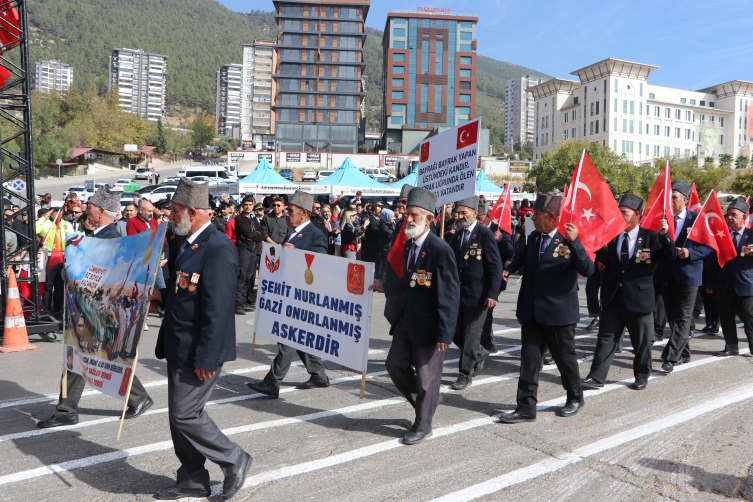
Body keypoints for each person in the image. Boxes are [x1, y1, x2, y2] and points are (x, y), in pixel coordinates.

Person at [150, 178, 251, 500]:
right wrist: (160, 298)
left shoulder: (218, 247)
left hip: (199, 351)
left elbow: (218, 309)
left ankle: (234, 458)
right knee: (176, 417)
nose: (169, 216)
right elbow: (186, 293)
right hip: (179, 345)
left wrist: (208, 358)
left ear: (192, 212)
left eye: (174, 211)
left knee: (185, 414)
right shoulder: (188, 242)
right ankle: (192, 477)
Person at [37, 186, 154, 429]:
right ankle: (68, 409)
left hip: (98, 311)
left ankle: (69, 410)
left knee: (95, 357)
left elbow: (107, 277)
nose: (84, 209)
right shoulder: (92, 235)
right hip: (85, 307)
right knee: (82, 356)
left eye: (89, 206)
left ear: (100, 211)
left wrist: (76, 273)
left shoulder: (111, 238)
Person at [370, 187, 460, 445]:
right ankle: (427, 402)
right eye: (407, 213)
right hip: (406, 319)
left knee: (426, 377)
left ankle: (423, 423)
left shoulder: (441, 250)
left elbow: (450, 296)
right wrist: (383, 286)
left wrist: (445, 332)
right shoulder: (409, 244)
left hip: (429, 325)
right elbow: (410, 281)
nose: (408, 218)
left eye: (414, 214)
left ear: (429, 219)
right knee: (394, 365)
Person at [500, 193, 595, 423]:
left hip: (559, 313)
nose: (532, 218)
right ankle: (525, 407)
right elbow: (523, 258)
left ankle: (575, 397)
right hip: (532, 311)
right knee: (529, 361)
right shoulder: (533, 238)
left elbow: (588, 269)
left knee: (565, 359)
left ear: (552, 216)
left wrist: (576, 242)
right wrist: (508, 269)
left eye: (537, 214)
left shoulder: (568, 238)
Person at [582, 194, 676, 391]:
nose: (620, 216)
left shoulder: (651, 237)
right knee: (606, 338)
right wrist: (601, 260)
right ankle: (596, 377)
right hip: (613, 296)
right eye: (618, 212)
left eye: (624, 213)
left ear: (637, 215)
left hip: (638, 298)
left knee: (641, 342)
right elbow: (602, 252)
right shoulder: (613, 235)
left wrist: (664, 236)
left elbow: (670, 255)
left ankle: (642, 375)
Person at [247, 190, 331, 398]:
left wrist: (297, 253)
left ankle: (272, 382)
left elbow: (321, 262)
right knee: (299, 339)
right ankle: (319, 375)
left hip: (304, 297)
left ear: (303, 213)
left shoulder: (316, 233)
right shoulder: (292, 231)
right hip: (289, 293)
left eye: (290, 211)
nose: (286, 214)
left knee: (287, 337)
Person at [654, 180, 713, 372]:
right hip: (666, 275)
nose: (670, 201)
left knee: (682, 318)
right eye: (668, 197)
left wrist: (690, 253)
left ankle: (670, 357)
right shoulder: (662, 220)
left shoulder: (697, 219)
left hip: (688, 277)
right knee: (673, 317)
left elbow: (709, 246)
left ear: (685, 200)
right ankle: (684, 353)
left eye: (674, 197)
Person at [447, 196, 503, 390]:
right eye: (459, 213)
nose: (461, 216)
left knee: (471, 335)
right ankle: (480, 352)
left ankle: (465, 374)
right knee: (452, 331)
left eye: (465, 213)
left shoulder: (484, 234)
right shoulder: (456, 236)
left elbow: (495, 267)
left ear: (474, 213)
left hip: (478, 295)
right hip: (458, 294)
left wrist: (492, 294)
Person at [709, 199, 753, 357]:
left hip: (746, 283)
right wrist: (710, 282)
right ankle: (731, 346)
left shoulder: (751, 235)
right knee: (726, 317)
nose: (729, 217)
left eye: (733, 214)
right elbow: (713, 261)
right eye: (727, 214)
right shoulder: (722, 236)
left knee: (749, 316)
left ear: (743, 216)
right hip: (724, 284)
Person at [481, 203, 514, 354]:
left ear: (488, 217)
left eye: (480, 218)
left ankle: (487, 342)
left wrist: (500, 240)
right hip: (478, 278)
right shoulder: (475, 229)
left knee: (486, 311)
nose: (478, 221)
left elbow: (510, 252)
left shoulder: (498, 229)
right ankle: (483, 340)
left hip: (493, 278)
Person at [234, 196, 262, 315]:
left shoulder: (253, 219)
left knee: (249, 277)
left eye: (250, 204)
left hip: (253, 250)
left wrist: (253, 235)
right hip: (244, 250)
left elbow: (261, 235)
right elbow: (247, 234)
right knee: (241, 276)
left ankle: (244, 300)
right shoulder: (239, 219)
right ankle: (237, 303)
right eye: (246, 204)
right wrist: (253, 235)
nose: (248, 206)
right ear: (242, 205)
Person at [376, 208, 395, 282]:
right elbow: (390, 235)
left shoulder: (391, 223)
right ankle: (382, 282)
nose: (393, 219)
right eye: (391, 217)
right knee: (385, 266)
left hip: (390, 247)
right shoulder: (382, 225)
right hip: (385, 249)